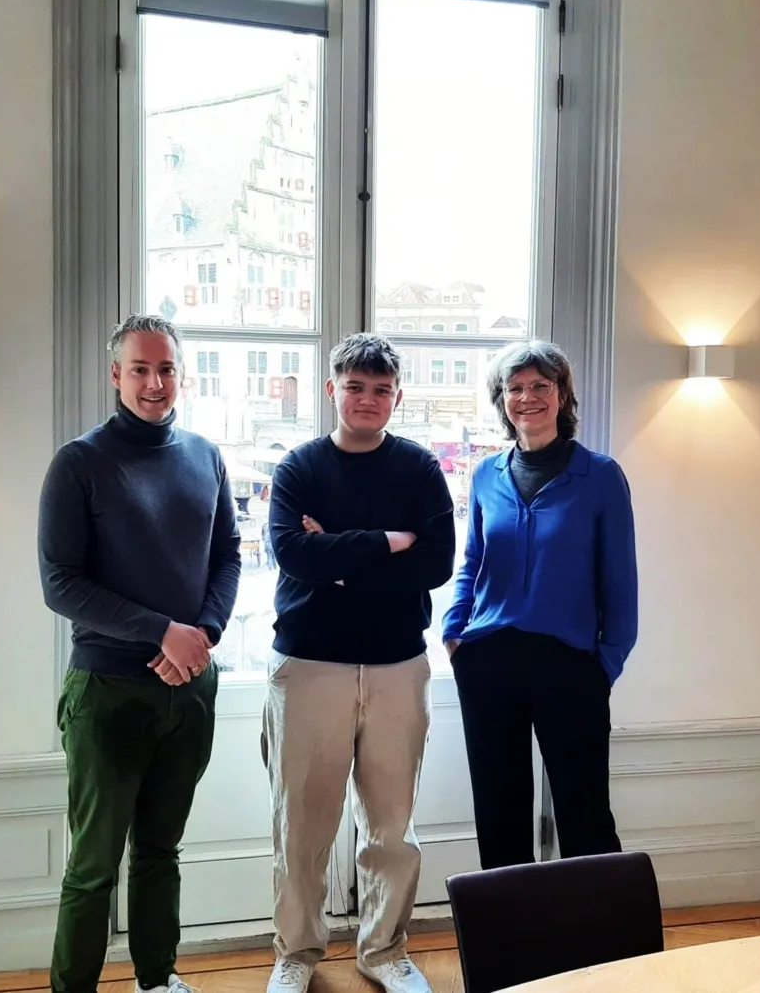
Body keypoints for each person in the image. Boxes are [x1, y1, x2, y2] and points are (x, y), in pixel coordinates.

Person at [38, 314, 242, 993]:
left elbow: (228, 556)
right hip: (109, 694)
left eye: (166, 369)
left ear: (181, 374)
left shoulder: (206, 456)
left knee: (160, 850)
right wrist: (161, 632)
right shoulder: (79, 463)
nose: (155, 383)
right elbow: (60, 584)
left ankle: (158, 979)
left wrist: (201, 634)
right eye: (140, 369)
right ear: (115, 375)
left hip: (190, 687)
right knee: (93, 866)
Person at [263, 333, 455, 993]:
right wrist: (387, 543)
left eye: (381, 389)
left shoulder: (420, 469)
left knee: (392, 828)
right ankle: (296, 953)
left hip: (398, 666)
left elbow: (436, 563)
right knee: (301, 827)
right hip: (309, 665)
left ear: (397, 396)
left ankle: (383, 950)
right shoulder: (299, 468)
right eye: (354, 387)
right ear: (331, 390)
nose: (367, 399)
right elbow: (294, 555)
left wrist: (340, 560)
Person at [443, 340, 637, 871]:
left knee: (585, 812)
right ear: (502, 400)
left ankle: (600, 923)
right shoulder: (486, 475)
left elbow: (620, 581)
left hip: (570, 663)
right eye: (515, 388)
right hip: (488, 658)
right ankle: (511, 924)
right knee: (499, 812)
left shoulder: (600, 476)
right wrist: (455, 631)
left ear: (562, 394)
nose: (527, 397)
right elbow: (473, 560)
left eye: (540, 386)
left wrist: (606, 664)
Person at [246, 483, 276, 569]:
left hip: (270, 524)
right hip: (265, 524)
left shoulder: (272, 500)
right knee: (267, 544)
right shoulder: (263, 501)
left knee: (270, 545)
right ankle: (270, 563)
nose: (267, 493)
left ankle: (272, 564)